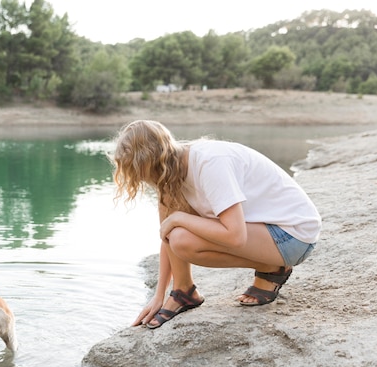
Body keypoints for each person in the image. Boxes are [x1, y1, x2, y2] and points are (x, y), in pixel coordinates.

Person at [110, 120, 321, 329]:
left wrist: (179, 218)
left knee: (181, 236)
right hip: (264, 230)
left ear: (155, 162)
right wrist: (159, 296)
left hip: (293, 235)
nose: (145, 181)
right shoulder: (170, 172)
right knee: (176, 236)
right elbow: (166, 236)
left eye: (142, 173)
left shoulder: (210, 163)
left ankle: (272, 268)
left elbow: (235, 236)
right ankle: (184, 292)